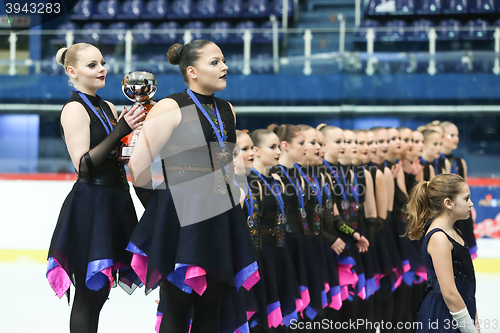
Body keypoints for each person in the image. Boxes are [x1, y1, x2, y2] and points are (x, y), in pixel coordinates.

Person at [126, 40, 259, 333]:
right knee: (177, 304)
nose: (224, 67)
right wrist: (164, 210)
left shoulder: (227, 110)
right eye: (214, 62)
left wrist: (236, 193)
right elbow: (137, 168)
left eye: (223, 60)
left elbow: (228, 165)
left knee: (212, 304)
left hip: (220, 218)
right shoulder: (170, 106)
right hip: (182, 221)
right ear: (192, 71)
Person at [46, 44, 145, 333]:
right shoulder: (74, 109)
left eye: (102, 62)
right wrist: (120, 131)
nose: (102, 69)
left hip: (115, 199)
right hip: (92, 203)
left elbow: (114, 154)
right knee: (89, 294)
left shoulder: (107, 106)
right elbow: (84, 165)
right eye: (92, 65)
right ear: (72, 71)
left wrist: (135, 138)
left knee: (100, 292)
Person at [406, 174, 479, 333]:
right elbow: (450, 294)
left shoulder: (454, 232)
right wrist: (470, 329)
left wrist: (475, 322)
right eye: (466, 199)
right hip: (443, 315)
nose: (471, 204)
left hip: (461, 312)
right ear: (448, 203)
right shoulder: (439, 238)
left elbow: (466, 290)